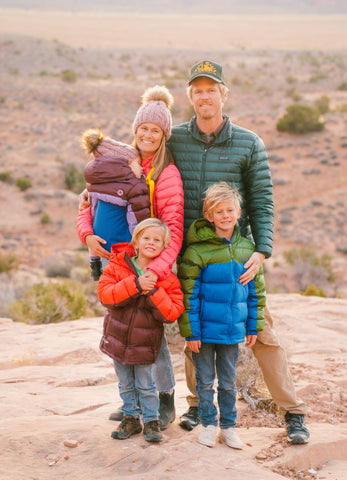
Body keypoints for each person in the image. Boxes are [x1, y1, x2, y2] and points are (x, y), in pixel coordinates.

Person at [166, 60, 310, 444]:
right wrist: (91, 195)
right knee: (195, 327)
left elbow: (262, 201)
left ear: (224, 95)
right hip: (193, 256)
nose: (204, 96)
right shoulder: (175, 139)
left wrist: (261, 251)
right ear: (190, 97)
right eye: (197, 90)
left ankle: (293, 413)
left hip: (237, 258)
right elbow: (144, 172)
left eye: (212, 89)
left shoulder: (248, 142)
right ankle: (198, 406)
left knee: (262, 332)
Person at [77, 86, 184, 430]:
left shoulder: (166, 174)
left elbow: (174, 226)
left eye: (156, 130)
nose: (148, 135)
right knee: (125, 324)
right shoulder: (120, 164)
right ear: (135, 130)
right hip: (121, 260)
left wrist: (156, 269)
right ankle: (134, 404)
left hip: (154, 261)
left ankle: (164, 397)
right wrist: (87, 234)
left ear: (164, 135)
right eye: (143, 128)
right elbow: (91, 202)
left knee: (151, 332)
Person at [178, 182, 266, 449]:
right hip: (203, 332)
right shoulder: (196, 251)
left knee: (228, 384)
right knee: (204, 382)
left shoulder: (247, 250)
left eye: (230, 210)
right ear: (209, 215)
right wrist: (190, 332)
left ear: (238, 213)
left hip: (231, 332)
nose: (225, 216)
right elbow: (188, 295)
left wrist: (253, 327)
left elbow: (256, 294)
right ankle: (207, 425)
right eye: (219, 212)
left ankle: (228, 427)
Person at [97, 218, 184, 443]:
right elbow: (105, 295)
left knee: (146, 384)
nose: (151, 243)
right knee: (125, 383)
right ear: (136, 241)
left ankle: (152, 421)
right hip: (118, 338)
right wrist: (135, 285)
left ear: (165, 248)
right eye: (146, 238)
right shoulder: (117, 266)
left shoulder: (166, 278)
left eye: (157, 240)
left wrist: (154, 291)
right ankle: (131, 419)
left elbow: (173, 312)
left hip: (146, 343)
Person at [80, 127, 150, 281]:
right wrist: (139, 250)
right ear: (123, 166)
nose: (141, 166)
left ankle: (94, 264)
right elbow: (136, 219)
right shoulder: (133, 185)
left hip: (101, 250)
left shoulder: (97, 184)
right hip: (123, 250)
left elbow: (91, 212)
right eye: (137, 162)